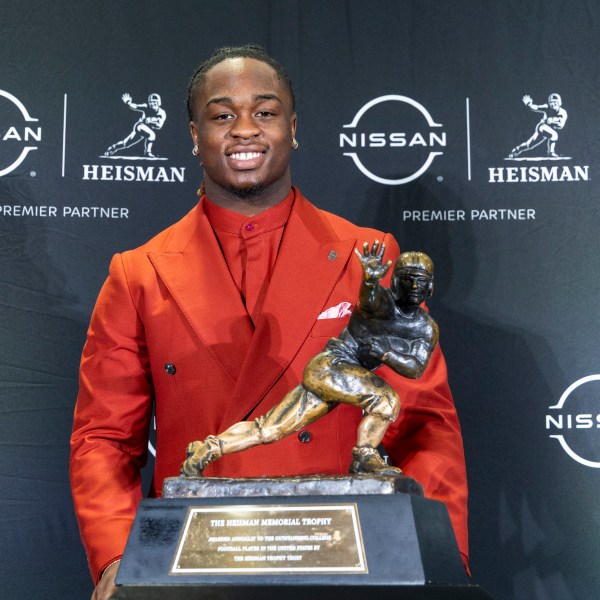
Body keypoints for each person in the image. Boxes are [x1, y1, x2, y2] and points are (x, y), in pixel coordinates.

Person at [70, 45, 469, 600]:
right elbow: (105, 441)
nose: (244, 131)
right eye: (222, 115)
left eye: (264, 112)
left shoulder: (368, 255)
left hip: (344, 567)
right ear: (193, 134)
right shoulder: (137, 274)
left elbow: (426, 425)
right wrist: (118, 557)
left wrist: (436, 554)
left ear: (292, 127)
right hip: (195, 569)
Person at [182, 246, 438, 477]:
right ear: (394, 281)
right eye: (407, 279)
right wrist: (370, 281)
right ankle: (364, 457)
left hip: (339, 379)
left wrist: (386, 353)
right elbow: (369, 299)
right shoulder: (382, 302)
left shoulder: (425, 328)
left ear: (430, 287)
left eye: (421, 281)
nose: (414, 287)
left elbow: (416, 368)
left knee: (270, 429)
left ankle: (208, 448)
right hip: (330, 366)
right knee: (386, 399)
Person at [104, 93, 166, 158]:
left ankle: (113, 148)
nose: (152, 104)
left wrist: (152, 121)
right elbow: (136, 106)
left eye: (154, 102)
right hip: (140, 126)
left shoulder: (162, 113)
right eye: (151, 102)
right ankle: (148, 152)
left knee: (126, 143)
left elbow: (159, 126)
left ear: (159, 102)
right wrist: (128, 103)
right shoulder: (146, 107)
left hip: (145, 130)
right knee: (152, 135)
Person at [509, 93, 567, 158]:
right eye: (551, 102)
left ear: (559, 102)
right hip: (542, 127)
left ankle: (517, 149)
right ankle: (551, 152)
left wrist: (553, 121)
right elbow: (536, 107)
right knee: (554, 135)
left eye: (555, 102)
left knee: (529, 145)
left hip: (548, 130)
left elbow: (561, 125)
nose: (553, 104)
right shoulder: (547, 107)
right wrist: (529, 104)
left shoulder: (563, 112)